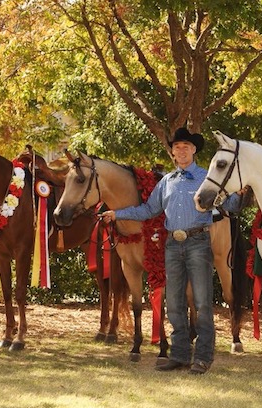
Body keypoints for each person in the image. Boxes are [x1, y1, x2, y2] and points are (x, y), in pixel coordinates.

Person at [101, 127, 244, 375]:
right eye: (177, 147)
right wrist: (118, 214)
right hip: (172, 244)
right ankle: (179, 355)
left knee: (201, 302)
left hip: (198, 242)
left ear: (194, 150)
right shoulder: (166, 182)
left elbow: (230, 204)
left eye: (186, 147)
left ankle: (202, 357)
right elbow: (148, 211)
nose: (181, 151)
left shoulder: (205, 178)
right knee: (174, 303)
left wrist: (242, 195)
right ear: (173, 153)